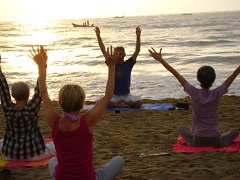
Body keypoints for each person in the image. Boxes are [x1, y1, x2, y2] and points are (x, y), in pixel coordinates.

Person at [29, 46, 125, 180]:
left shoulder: (53, 120)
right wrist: (111, 66)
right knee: (119, 160)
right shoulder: (87, 121)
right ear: (81, 103)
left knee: (52, 162)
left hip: (62, 178)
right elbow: (108, 95)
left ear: (61, 103)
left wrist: (41, 66)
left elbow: (43, 92)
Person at [148, 47, 240, 148]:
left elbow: (176, 74)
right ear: (213, 79)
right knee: (235, 131)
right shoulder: (217, 93)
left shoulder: (194, 93)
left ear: (198, 79)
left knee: (181, 128)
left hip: (197, 141)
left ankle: (192, 140)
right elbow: (234, 74)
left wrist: (161, 60)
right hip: (216, 141)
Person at [0, 54, 55, 161]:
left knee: (2, 142)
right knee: (56, 145)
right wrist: (42, 65)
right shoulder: (31, 109)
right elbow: (40, 88)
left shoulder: (7, 109)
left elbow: (3, 88)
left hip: (10, 154)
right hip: (34, 154)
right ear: (28, 94)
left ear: (13, 95)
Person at [94, 26, 143, 108]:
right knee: (101, 103)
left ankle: (126, 103)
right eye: (116, 54)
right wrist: (98, 35)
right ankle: (119, 105)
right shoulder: (112, 64)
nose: (118, 56)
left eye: (120, 54)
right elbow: (103, 51)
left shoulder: (128, 64)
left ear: (124, 55)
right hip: (115, 96)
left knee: (139, 103)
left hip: (126, 95)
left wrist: (138, 36)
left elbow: (137, 50)